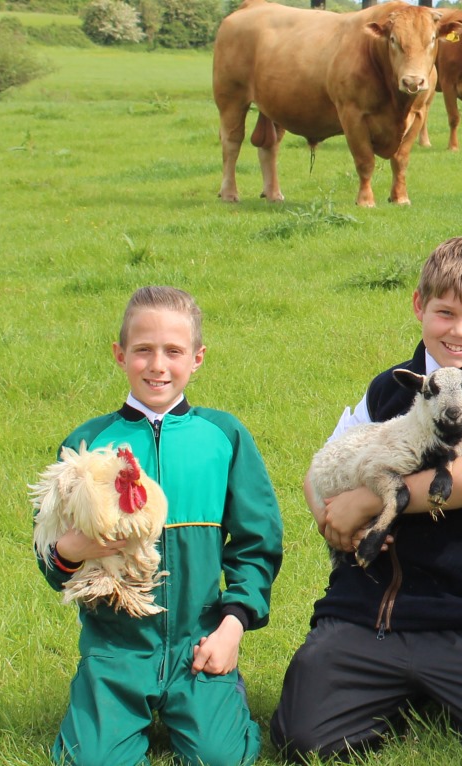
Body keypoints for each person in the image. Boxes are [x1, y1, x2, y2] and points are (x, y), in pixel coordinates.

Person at [271, 236, 462, 759]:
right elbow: (319, 472)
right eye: (445, 313)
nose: (459, 331)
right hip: (375, 610)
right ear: (419, 306)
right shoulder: (389, 389)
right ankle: (399, 687)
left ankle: (443, 688)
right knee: (303, 736)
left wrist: (371, 502)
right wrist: (332, 519)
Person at [38, 285, 284, 766]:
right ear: (120, 354)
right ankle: (106, 698)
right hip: (117, 648)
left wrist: (232, 627)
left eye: (173, 351)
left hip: (199, 641)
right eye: (143, 350)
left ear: (197, 358)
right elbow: (47, 549)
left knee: (221, 758)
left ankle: (216, 697)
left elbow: (257, 544)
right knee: (91, 761)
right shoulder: (88, 443)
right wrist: (70, 549)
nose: (157, 365)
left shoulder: (224, 436)